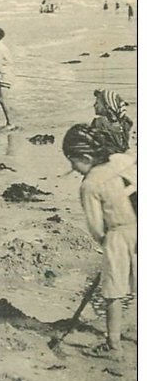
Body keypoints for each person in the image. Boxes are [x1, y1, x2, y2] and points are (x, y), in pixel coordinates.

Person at [62, 124, 136, 358]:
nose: (72, 167)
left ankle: (114, 346)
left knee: (113, 291)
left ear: (85, 156)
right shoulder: (124, 159)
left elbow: (95, 225)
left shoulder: (89, 184)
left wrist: (104, 241)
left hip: (118, 233)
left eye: (72, 161)